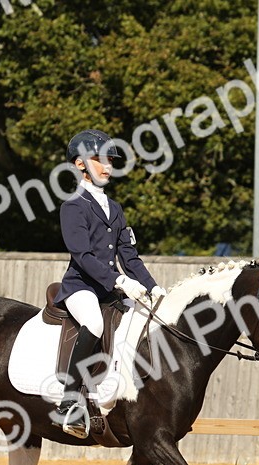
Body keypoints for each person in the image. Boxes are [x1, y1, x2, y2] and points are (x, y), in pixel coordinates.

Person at [53, 129, 165, 438]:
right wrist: (118, 280)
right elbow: (82, 255)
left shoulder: (115, 209)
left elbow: (129, 256)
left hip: (111, 289)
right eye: (99, 160)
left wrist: (153, 288)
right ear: (79, 165)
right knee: (95, 323)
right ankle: (69, 400)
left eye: (110, 161)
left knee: (142, 322)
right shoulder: (73, 205)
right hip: (81, 287)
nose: (107, 167)